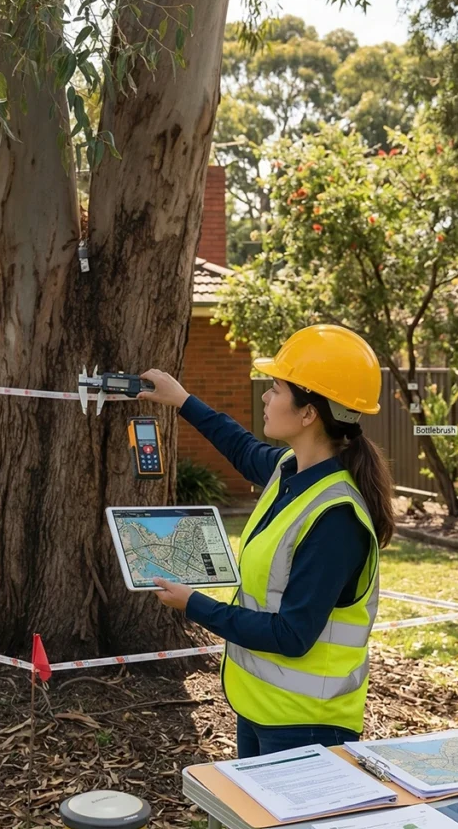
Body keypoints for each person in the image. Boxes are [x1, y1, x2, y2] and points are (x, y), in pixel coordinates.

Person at [139, 324, 394, 758]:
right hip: (262, 707)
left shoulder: (336, 520)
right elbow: (239, 446)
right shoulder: (290, 470)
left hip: (307, 725)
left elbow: (293, 636)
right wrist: (182, 401)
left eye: (275, 388)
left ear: (309, 411)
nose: (265, 396)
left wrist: (194, 604)